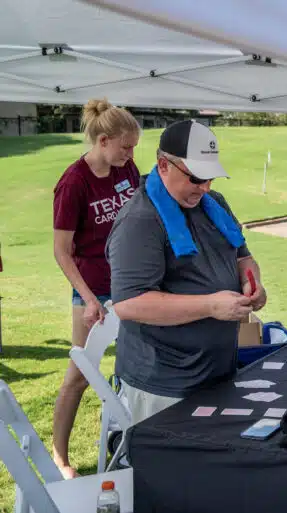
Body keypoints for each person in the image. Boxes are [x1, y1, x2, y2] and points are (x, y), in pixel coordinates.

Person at [106, 119, 266, 425]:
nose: (204, 188)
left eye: (210, 179)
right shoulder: (140, 221)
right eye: (195, 178)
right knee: (170, 471)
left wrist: (253, 283)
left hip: (217, 371)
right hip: (166, 383)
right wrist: (210, 305)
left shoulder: (213, 203)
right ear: (163, 165)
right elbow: (129, 304)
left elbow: (243, 257)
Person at [52, 98, 141, 479]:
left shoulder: (127, 169)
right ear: (103, 141)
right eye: (126, 147)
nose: (131, 154)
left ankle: (135, 444)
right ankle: (60, 457)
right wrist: (89, 299)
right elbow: (61, 251)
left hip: (131, 285)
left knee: (139, 366)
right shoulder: (73, 183)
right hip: (91, 289)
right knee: (80, 373)